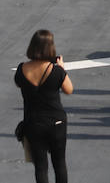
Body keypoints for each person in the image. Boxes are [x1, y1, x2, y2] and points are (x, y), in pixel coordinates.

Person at [15, 30, 74, 183]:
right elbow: (69, 90)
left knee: (40, 167)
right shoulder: (55, 71)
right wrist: (61, 69)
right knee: (59, 163)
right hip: (56, 123)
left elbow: (18, 83)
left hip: (33, 123)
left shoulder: (22, 69)